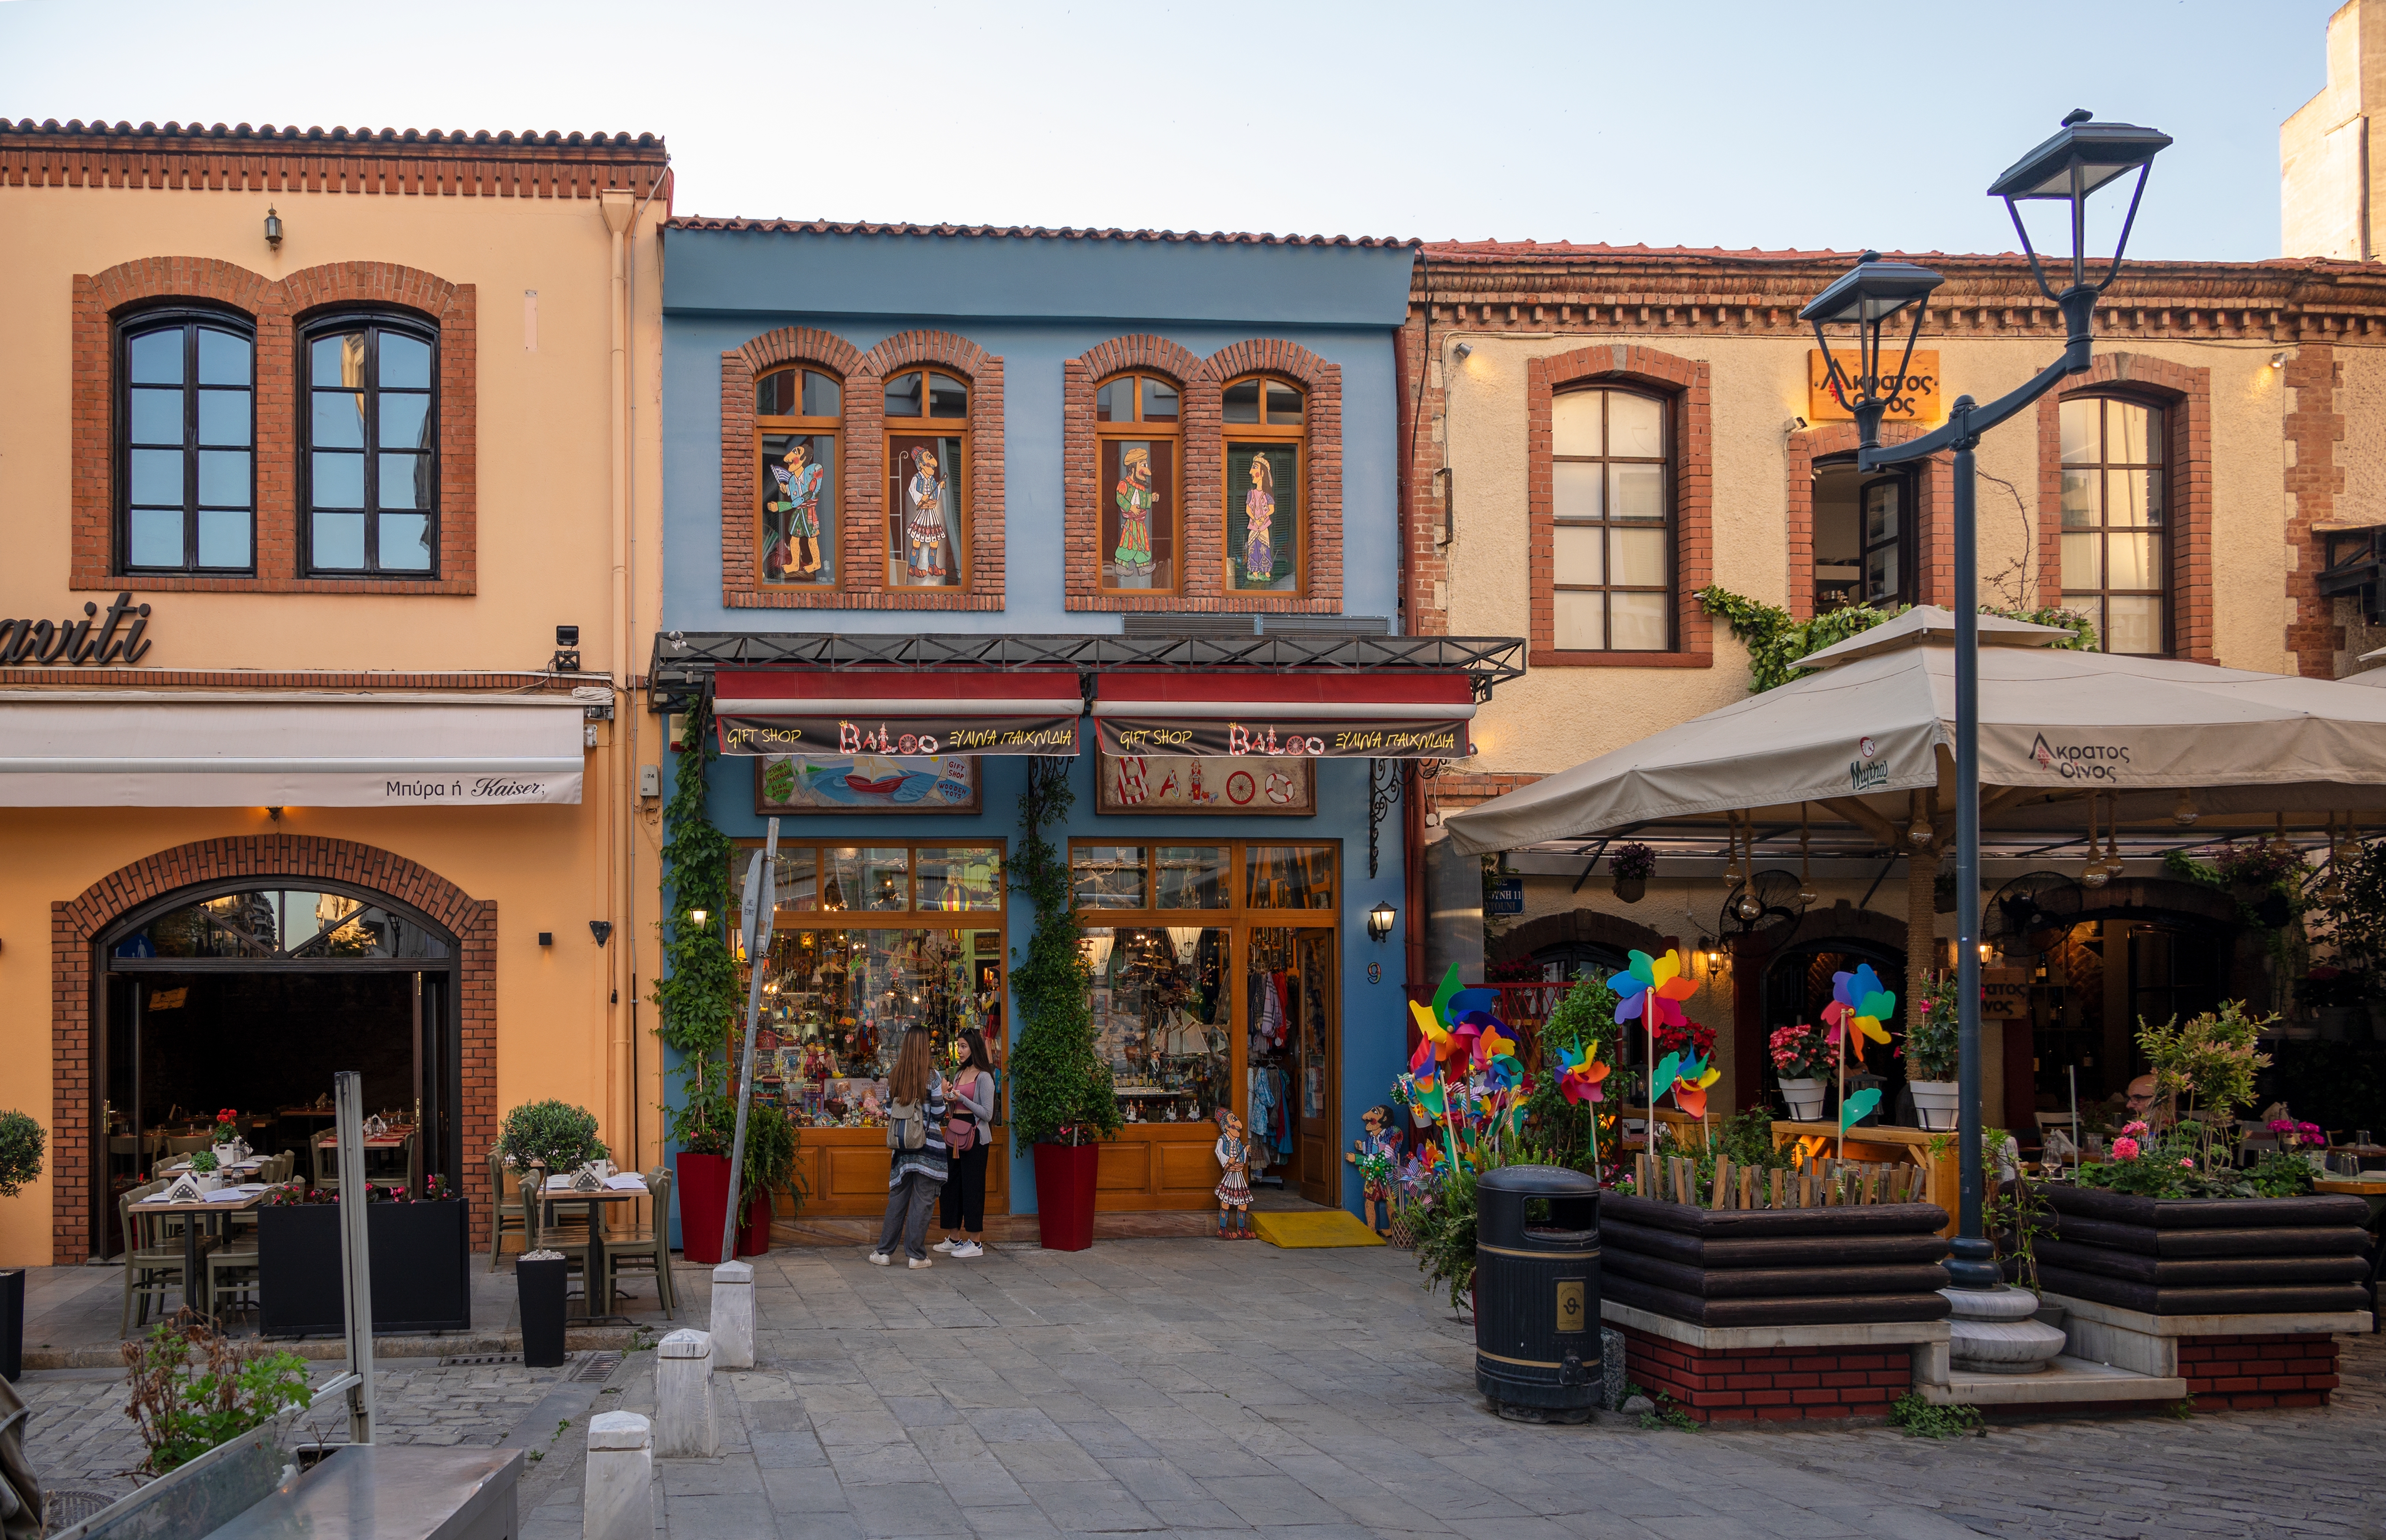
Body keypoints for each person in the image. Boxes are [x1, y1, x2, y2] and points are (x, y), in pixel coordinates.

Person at [868, 1028, 947, 1269]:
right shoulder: (933, 1078)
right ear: (925, 1047)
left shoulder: (895, 1076)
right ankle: (916, 1255)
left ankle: (883, 1253)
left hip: (903, 1148)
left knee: (898, 1200)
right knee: (923, 1200)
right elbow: (939, 1114)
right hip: (928, 1148)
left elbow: (891, 1112)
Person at [934, 1028, 995, 1259]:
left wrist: (963, 1099)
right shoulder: (959, 1074)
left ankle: (976, 1242)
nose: (959, 1051)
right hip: (955, 1134)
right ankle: (954, 1237)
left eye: (963, 1047)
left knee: (973, 1187)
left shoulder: (985, 1077)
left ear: (974, 1049)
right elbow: (954, 1108)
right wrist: (948, 1096)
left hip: (976, 1136)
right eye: (958, 1046)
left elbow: (987, 1114)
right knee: (950, 1185)